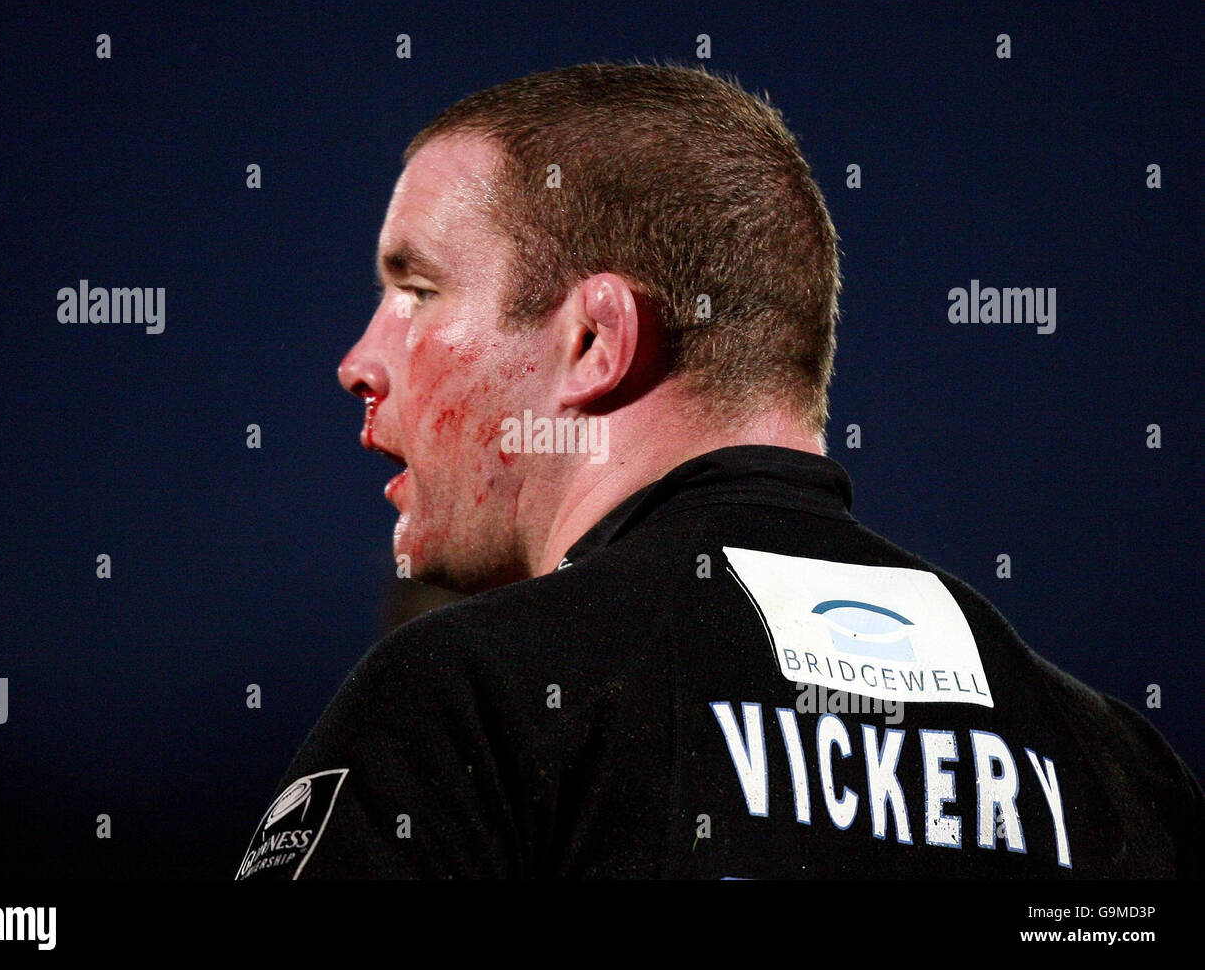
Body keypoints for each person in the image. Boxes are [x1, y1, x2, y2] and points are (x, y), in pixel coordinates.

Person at [236, 61, 1204, 880]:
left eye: (416, 288)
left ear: (592, 340)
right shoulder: (1119, 766)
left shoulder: (471, 696)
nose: (358, 359)